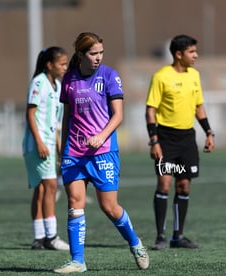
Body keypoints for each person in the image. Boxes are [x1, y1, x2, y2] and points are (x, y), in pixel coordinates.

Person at [54, 32, 149, 274]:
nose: (98, 58)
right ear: (80, 54)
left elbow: (118, 116)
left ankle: (135, 243)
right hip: (74, 153)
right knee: (75, 203)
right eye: (93, 53)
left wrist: (101, 136)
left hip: (103, 152)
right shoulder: (69, 79)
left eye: (100, 53)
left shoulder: (109, 76)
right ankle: (78, 261)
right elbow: (67, 117)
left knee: (109, 207)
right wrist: (63, 150)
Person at [145, 34, 215, 250]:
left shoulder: (194, 75)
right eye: (192, 52)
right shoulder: (161, 77)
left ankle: (178, 236)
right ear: (178, 54)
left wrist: (209, 132)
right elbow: (150, 111)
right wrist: (154, 140)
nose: (196, 55)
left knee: (183, 186)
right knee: (164, 184)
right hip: (165, 138)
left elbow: (199, 107)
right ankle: (160, 237)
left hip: (187, 139)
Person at [22, 47, 70, 250]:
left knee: (42, 189)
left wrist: (59, 146)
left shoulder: (57, 86)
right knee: (51, 186)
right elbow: (30, 114)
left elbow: (56, 123)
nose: (65, 67)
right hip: (38, 145)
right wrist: (40, 143)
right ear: (50, 65)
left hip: (50, 143)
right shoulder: (39, 82)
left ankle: (39, 238)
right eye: (62, 64)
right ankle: (51, 236)